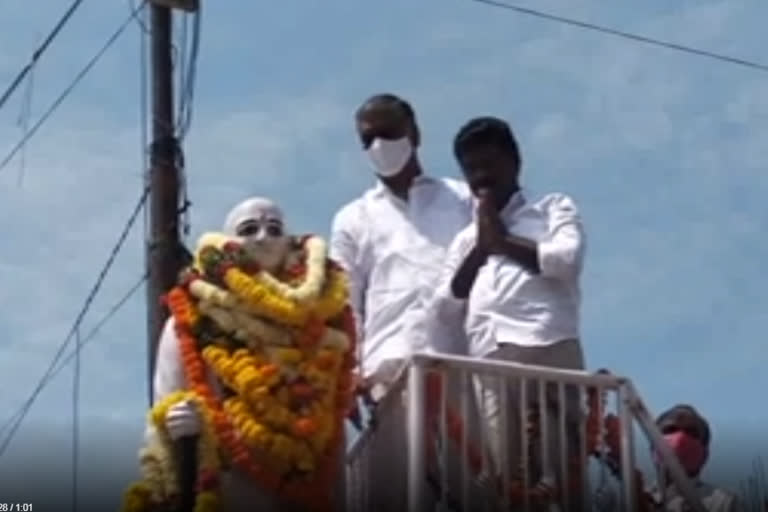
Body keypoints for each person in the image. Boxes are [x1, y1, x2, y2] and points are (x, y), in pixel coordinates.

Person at [135, 197, 349, 512]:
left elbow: (332, 427)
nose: (263, 237)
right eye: (250, 229)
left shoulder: (320, 330)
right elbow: (166, 405)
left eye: (274, 229)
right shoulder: (194, 321)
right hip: (223, 482)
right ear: (229, 245)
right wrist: (175, 421)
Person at [425, 116, 587, 508]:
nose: (481, 177)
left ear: (514, 162)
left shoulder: (550, 209)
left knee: (559, 475)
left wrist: (504, 242)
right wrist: (482, 248)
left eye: (488, 164)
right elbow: (444, 306)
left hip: (548, 345)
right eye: (471, 171)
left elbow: (566, 260)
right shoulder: (466, 240)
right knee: (507, 479)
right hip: (491, 358)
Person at [329, 93, 474, 510]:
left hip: (460, 358)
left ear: (415, 133)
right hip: (387, 372)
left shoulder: (461, 198)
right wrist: (350, 373)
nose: (378, 146)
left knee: (473, 485)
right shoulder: (353, 217)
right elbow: (345, 303)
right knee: (408, 494)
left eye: (387, 133)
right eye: (367, 139)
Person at [648, 405, 741, 512]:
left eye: (691, 432)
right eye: (670, 430)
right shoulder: (633, 496)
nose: (680, 439)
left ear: (704, 455)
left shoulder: (724, 503)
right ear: (652, 448)